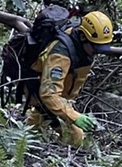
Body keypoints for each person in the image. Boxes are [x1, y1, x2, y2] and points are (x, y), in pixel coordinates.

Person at [26, 10, 114, 146]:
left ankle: (26, 137)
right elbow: (49, 94)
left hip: (57, 97)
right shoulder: (60, 55)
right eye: (95, 47)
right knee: (76, 137)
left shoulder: (82, 48)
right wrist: (74, 116)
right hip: (40, 91)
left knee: (34, 127)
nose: (97, 52)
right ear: (83, 36)